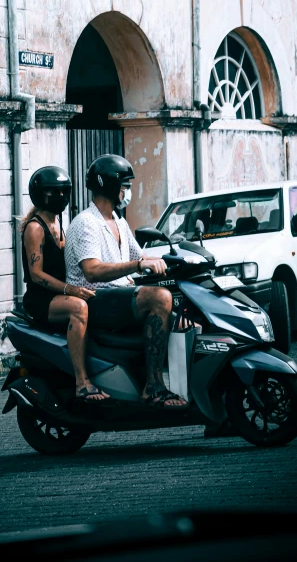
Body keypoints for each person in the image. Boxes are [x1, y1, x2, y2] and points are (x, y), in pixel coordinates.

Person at [65, 154, 187, 409]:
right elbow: (92, 271)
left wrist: (177, 261)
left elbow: (139, 256)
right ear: (110, 186)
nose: (128, 191)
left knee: (178, 300)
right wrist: (139, 265)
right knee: (159, 298)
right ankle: (153, 387)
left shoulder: (118, 221)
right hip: (96, 299)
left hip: (118, 296)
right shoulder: (86, 223)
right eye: (125, 185)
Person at [21, 166, 108, 403]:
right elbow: (36, 274)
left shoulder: (58, 222)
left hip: (59, 294)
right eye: (52, 192)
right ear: (39, 194)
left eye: (63, 192)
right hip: (41, 299)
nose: (59, 197)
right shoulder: (35, 228)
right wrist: (71, 290)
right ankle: (82, 382)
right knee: (78, 308)